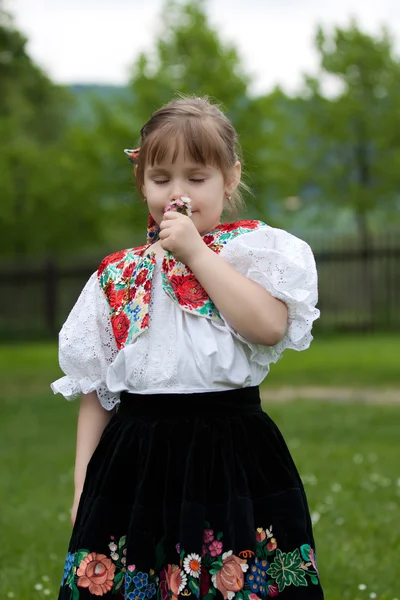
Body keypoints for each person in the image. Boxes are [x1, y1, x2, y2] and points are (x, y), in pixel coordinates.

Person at [52, 96, 323, 599]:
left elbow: (266, 326)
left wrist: (196, 253)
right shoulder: (118, 277)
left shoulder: (253, 253)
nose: (178, 194)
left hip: (231, 456)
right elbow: (95, 390)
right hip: (136, 461)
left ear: (230, 177)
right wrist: (81, 486)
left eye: (196, 179)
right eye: (161, 179)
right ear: (142, 183)